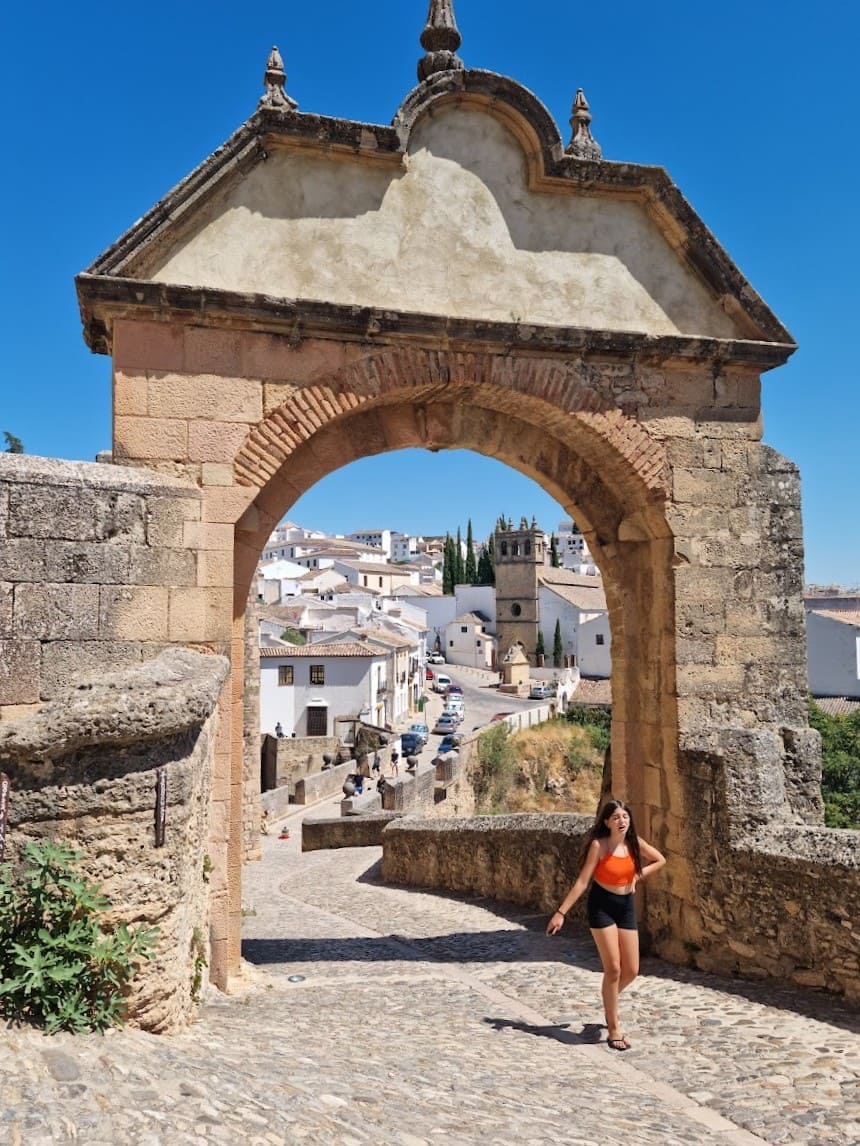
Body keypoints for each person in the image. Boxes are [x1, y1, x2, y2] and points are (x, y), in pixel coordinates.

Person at [546, 798, 666, 1051]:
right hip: (601, 906)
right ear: (606, 822)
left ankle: (608, 997)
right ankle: (613, 1029)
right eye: (616, 818)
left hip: (625, 907)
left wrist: (637, 875)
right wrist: (561, 912)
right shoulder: (599, 846)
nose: (622, 821)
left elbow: (660, 860)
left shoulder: (635, 844)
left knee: (631, 970)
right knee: (613, 969)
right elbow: (582, 882)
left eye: (625, 816)